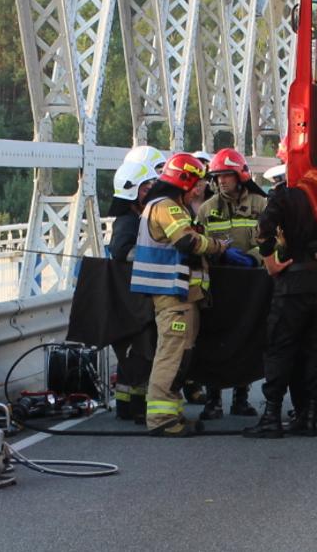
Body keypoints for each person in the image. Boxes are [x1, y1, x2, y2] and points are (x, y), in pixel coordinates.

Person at [134, 153, 235, 437]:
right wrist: (217, 246)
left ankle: (171, 413)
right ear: (184, 180)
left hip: (181, 296)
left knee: (180, 356)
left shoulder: (163, 205)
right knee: (171, 355)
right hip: (173, 295)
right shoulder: (167, 207)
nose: (200, 188)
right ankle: (161, 419)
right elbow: (187, 241)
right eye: (197, 182)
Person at [243, 179, 317, 439]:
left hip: (294, 281)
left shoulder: (286, 194)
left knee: (280, 347)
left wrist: (269, 260)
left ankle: (272, 416)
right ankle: (310, 416)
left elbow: (264, 228)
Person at [196, 148, 266, 420]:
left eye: (227, 175)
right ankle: (213, 401)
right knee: (213, 341)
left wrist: (252, 258)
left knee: (246, 340)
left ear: (240, 176)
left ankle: (241, 399)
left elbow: (274, 242)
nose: (221, 181)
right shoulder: (206, 209)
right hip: (217, 285)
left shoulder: (261, 205)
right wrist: (217, 253)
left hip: (250, 285)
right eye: (217, 176)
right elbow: (197, 243)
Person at [106, 146, 167, 421]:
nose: (152, 190)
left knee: (138, 352)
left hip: (137, 295)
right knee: (142, 351)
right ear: (134, 192)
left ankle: (128, 405)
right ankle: (137, 406)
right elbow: (121, 251)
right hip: (136, 298)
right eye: (147, 187)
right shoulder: (128, 221)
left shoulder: (137, 216)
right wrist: (157, 254)